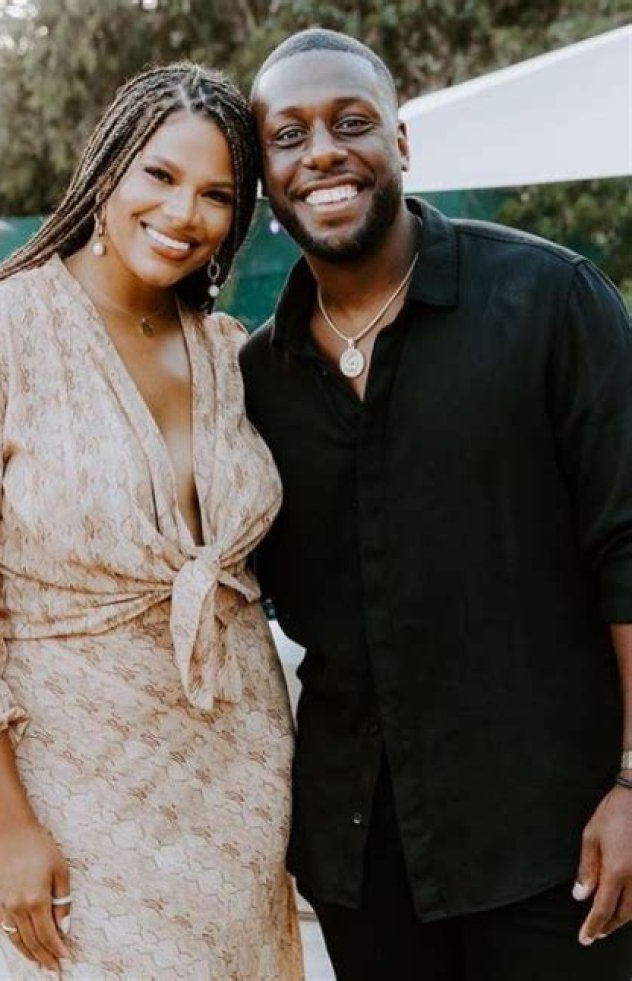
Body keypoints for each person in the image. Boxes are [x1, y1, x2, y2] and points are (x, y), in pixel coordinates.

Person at [240, 28, 632, 980]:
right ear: (264, 178)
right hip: (363, 861)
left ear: (402, 142)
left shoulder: (550, 301)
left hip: (558, 845)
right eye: (288, 136)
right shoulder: (253, 379)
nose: (321, 151)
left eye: (351, 122)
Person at [0, 62, 303, 980]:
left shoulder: (227, 351)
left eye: (216, 194)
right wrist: (8, 823)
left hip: (240, 779)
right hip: (69, 790)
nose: (183, 213)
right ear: (107, 169)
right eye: (159, 175)